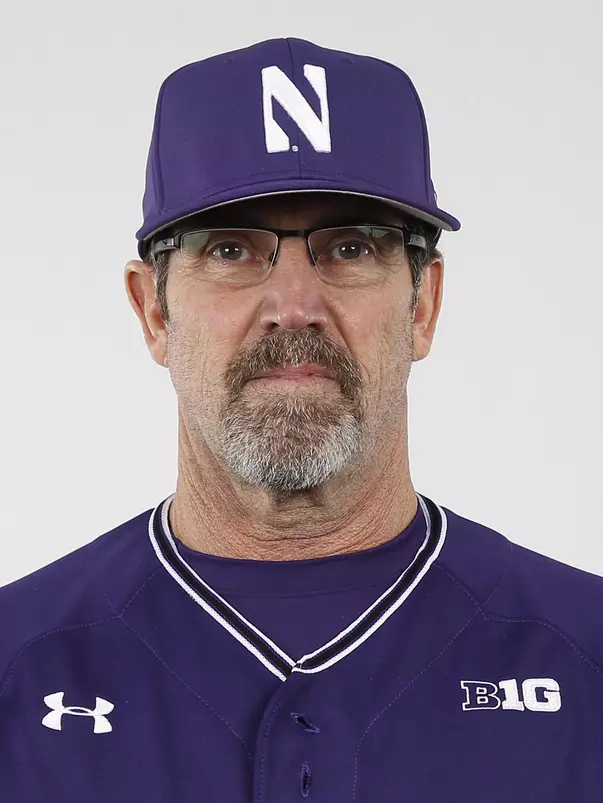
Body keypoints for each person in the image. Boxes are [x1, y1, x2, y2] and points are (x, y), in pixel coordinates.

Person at [1, 36, 602, 803]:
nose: (293, 306)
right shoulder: (16, 666)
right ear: (153, 310)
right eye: (229, 249)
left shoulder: (585, 657)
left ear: (423, 306)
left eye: (349, 247)